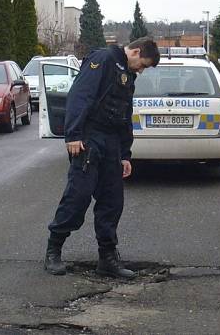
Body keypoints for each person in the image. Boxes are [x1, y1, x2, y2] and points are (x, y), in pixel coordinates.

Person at [44, 37, 160, 279]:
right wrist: (73, 134)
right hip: (89, 139)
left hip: (112, 144)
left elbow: (125, 115)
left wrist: (125, 154)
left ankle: (107, 259)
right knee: (78, 197)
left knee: (112, 201)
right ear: (136, 51)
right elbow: (80, 96)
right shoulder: (103, 60)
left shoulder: (128, 76)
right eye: (143, 64)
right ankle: (53, 251)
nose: (142, 70)